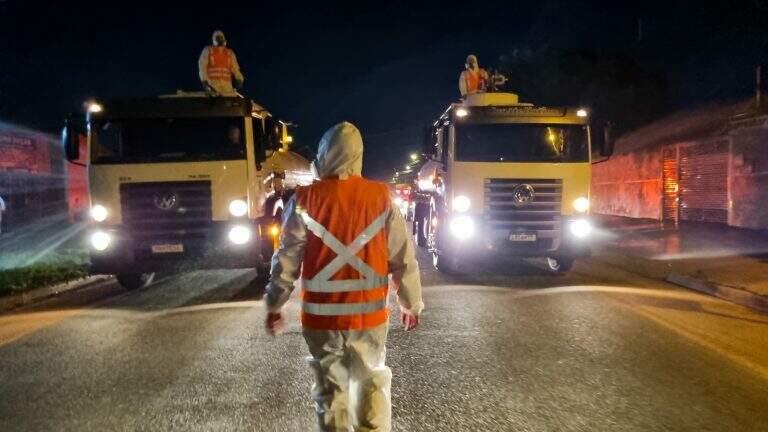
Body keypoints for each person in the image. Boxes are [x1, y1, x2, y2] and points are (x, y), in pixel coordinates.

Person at [265, 121, 423, 432]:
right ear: (358, 156)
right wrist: (410, 303)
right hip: (369, 317)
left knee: (330, 393)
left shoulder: (305, 199)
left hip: (321, 319)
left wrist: (274, 304)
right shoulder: (380, 197)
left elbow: (286, 257)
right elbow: (402, 256)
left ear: (324, 155)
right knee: (370, 386)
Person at [198, 30, 244, 96]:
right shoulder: (208, 50)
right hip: (213, 85)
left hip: (227, 86)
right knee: (215, 104)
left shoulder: (230, 53)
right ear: (214, 39)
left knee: (229, 104)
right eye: (218, 38)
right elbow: (202, 66)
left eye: (220, 37)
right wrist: (204, 81)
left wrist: (239, 78)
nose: (219, 39)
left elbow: (235, 68)